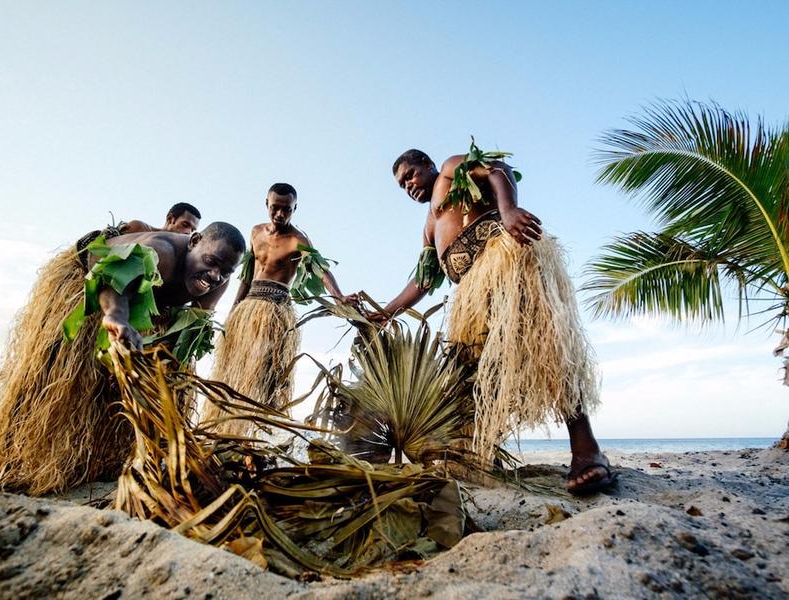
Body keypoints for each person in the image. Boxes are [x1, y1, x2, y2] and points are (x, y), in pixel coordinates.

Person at [370, 147, 615, 495]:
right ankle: (481, 453)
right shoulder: (429, 226)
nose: (408, 185)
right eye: (401, 185)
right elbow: (424, 279)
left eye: (410, 175)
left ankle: (587, 452)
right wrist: (385, 312)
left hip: (505, 264)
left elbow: (497, 169)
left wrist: (508, 209)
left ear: (427, 164)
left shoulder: (450, 170)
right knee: (471, 372)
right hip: (472, 294)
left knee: (548, 351)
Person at [0, 222, 244, 495]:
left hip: (142, 303)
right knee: (57, 379)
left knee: (124, 389)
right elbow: (113, 280)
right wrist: (115, 315)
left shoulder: (217, 281)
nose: (215, 275)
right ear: (194, 241)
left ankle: (108, 462)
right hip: (91, 281)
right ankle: (13, 461)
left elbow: (193, 324)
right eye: (210, 262)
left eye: (226, 272)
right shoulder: (161, 252)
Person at [204, 183, 351, 436]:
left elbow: (321, 269)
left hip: (275, 312)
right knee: (234, 369)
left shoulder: (298, 240)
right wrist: (233, 312)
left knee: (266, 374)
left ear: (295, 209)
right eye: (275, 208)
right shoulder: (255, 232)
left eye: (287, 209)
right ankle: (225, 428)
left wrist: (339, 298)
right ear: (267, 204)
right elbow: (246, 276)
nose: (280, 214)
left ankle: (262, 431)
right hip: (248, 309)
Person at [124, 202, 201, 235]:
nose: (188, 233)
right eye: (185, 225)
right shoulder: (140, 228)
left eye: (192, 230)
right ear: (170, 219)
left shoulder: (183, 253)